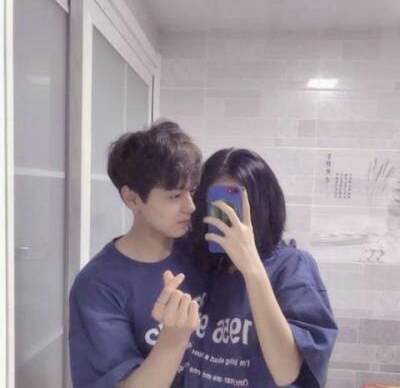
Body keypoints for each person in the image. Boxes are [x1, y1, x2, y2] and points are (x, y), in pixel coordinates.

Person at [69, 120, 208, 388]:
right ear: (132, 198)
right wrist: (173, 339)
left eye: (191, 191)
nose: (190, 206)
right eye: (175, 196)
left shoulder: (197, 251)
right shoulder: (98, 285)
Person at [185, 148, 338, 387]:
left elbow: (286, 372)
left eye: (235, 205)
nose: (228, 217)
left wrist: (252, 267)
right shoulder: (206, 268)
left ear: (262, 205)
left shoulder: (291, 266)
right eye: (217, 206)